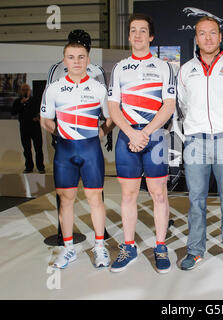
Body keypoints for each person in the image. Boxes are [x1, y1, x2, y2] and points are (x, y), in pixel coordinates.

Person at [177, 16, 223, 273]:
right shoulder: (185, 70)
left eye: (212, 33)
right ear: (196, 38)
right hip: (196, 141)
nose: (207, 38)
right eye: (202, 34)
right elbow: (180, 106)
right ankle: (195, 250)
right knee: (196, 200)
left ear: (220, 37)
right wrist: (192, 132)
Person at [108, 13, 176, 274]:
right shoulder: (120, 67)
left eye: (142, 30)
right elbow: (113, 106)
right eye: (133, 30)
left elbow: (168, 105)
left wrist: (145, 132)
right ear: (129, 36)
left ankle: (160, 246)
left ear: (151, 36)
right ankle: (128, 246)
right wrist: (131, 132)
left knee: (159, 194)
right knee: (128, 195)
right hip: (127, 136)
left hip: (155, 135)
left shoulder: (163, 66)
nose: (137, 35)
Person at [40, 41, 114, 269]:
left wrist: (100, 133)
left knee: (95, 200)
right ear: (65, 61)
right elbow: (45, 119)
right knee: (66, 201)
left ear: (88, 60)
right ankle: (68, 249)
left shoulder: (99, 88)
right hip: (65, 152)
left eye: (81, 57)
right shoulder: (53, 88)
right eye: (71, 57)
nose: (76, 61)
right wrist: (62, 134)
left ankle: (100, 247)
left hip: (91, 150)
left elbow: (110, 118)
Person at [46, 29, 112, 151]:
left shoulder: (97, 70)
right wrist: (54, 133)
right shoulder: (57, 68)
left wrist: (108, 132)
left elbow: (106, 103)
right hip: (65, 128)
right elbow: (49, 100)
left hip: (89, 129)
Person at [11, 83, 45, 173]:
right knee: (26, 149)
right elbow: (13, 112)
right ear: (20, 91)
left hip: (35, 127)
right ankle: (29, 167)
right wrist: (22, 104)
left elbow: (42, 111)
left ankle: (40, 167)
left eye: (27, 89)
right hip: (24, 128)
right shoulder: (18, 101)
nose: (25, 91)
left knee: (38, 148)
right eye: (23, 90)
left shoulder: (36, 100)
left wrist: (38, 117)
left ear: (30, 90)